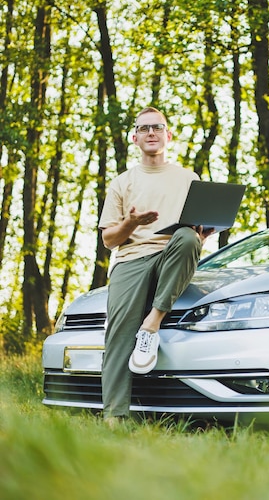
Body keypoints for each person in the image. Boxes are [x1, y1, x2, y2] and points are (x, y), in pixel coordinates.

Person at [98, 107, 212, 424]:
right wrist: (131, 224)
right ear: (135, 137)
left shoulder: (189, 178)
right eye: (145, 128)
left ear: (168, 135)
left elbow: (194, 235)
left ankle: (152, 323)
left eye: (157, 127)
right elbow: (109, 239)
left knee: (189, 238)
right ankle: (115, 416)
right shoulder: (122, 183)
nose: (151, 132)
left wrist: (203, 233)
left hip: (171, 254)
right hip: (131, 259)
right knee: (118, 334)